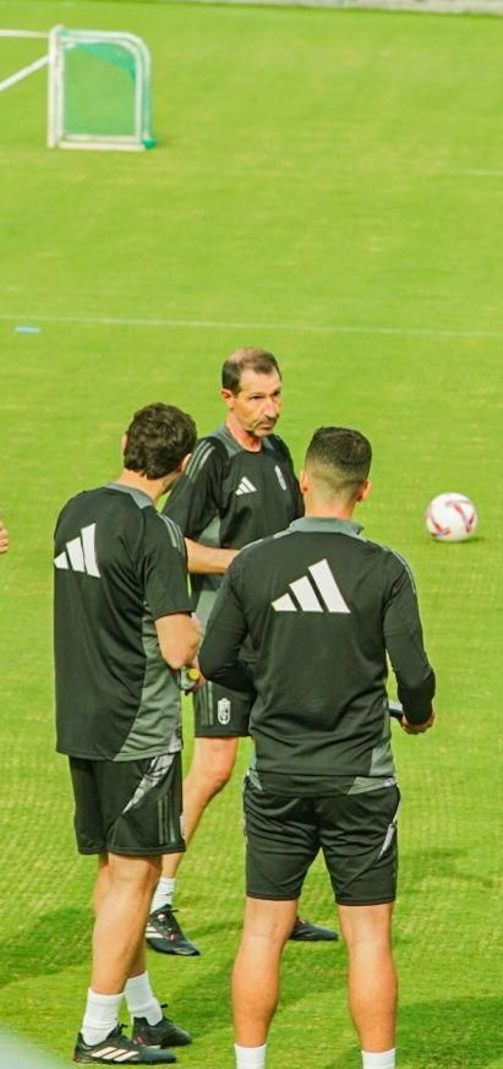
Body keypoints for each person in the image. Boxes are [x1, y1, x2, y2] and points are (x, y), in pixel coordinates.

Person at [198, 427, 437, 1069]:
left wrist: (273, 680)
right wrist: (417, 715)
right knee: (367, 939)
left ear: (305, 482)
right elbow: (412, 674)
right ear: (365, 490)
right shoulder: (385, 568)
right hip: (360, 780)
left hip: (275, 773)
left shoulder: (254, 563)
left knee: (262, 930)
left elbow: (216, 659)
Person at [150, 347, 336, 956]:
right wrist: (246, 564)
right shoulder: (212, 457)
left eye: (277, 394)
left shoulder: (280, 454)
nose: (271, 409)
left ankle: (283, 906)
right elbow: (169, 544)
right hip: (221, 639)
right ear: (228, 398)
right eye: (257, 398)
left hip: (278, 639)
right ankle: (157, 903)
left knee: (284, 768)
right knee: (214, 770)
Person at [55, 403, 200, 1064]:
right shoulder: (157, 530)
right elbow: (175, 644)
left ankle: (141, 1012)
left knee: (118, 870)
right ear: (185, 464)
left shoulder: (75, 507)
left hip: (80, 717)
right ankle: (96, 1031)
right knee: (135, 876)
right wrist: (199, 647)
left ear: (125, 444)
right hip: (136, 727)